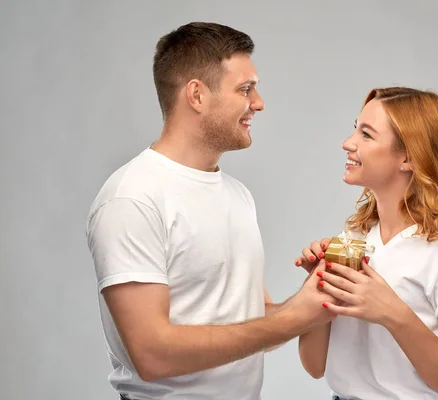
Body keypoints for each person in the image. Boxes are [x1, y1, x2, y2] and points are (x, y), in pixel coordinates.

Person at [85, 22, 334, 400]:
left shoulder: (238, 196)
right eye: (245, 89)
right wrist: (292, 319)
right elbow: (152, 355)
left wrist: (306, 300)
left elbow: (253, 325)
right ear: (197, 95)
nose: (259, 103)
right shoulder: (132, 198)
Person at [295, 87, 438, 400]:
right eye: (354, 130)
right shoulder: (354, 239)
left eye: (367, 135)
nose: (348, 143)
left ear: (409, 157)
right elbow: (314, 366)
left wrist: (392, 313)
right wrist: (316, 286)